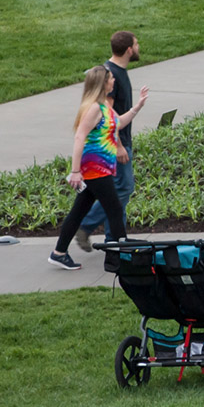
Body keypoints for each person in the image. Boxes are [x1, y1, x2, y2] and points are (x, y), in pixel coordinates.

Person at [50, 65, 148, 270]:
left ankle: (59, 252)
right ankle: (122, 251)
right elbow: (79, 136)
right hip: (94, 167)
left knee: (79, 211)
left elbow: (118, 123)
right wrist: (75, 171)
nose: (114, 81)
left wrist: (137, 107)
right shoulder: (94, 107)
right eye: (111, 78)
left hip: (102, 167)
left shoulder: (104, 106)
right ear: (103, 83)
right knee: (113, 207)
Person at [76, 30, 141, 253]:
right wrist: (120, 146)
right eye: (136, 44)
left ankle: (116, 240)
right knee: (123, 188)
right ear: (129, 49)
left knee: (118, 191)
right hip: (114, 145)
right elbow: (107, 114)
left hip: (119, 141)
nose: (138, 47)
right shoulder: (111, 75)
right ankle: (85, 226)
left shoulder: (118, 71)